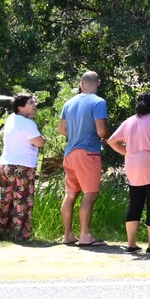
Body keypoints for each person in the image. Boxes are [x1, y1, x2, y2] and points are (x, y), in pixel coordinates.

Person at [108, 92, 150, 254]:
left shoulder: (129, 121)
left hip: (133, 169)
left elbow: (111, 141)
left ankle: (131, 243)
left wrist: (126, 152)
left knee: (135, 204)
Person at [58, 71, 109, 247]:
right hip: (88, 153)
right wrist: (103, 137)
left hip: (70, 152)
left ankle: (68, 235)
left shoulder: (69, 102)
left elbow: (62, 129)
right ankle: (85, 235)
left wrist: (76, 134)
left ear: (81, 83)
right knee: (90, 193)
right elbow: (101, 131)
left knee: (70, 194)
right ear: (98, 83)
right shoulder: (98, 102)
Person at [0, 94, 46, 242]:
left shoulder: (11, 119)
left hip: (5, 164)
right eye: (30, 103)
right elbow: (39, 142)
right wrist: (42, 138)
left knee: (4, 200)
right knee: (22, 201)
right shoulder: (28, 123)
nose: (35, 105)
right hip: (22, 166)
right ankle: (20, 235)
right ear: (20, 107)